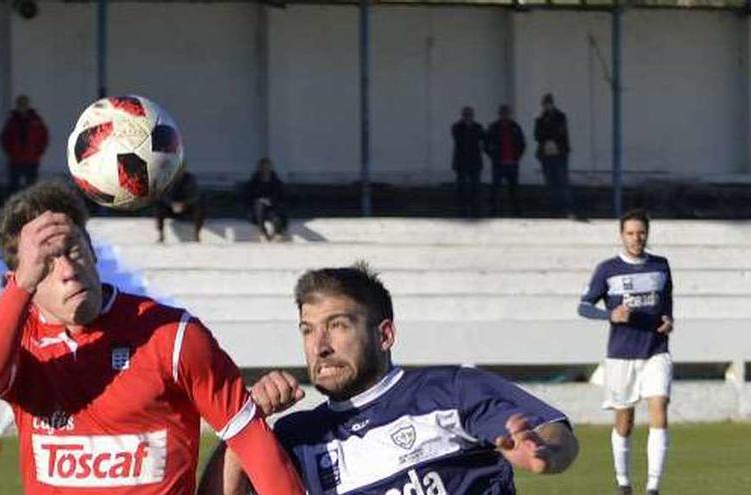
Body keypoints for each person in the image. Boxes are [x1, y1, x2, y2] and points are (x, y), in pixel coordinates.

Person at [0, 181, 304, 494]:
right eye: (45, 263)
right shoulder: (20, 345)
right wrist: (20, 289)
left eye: (73, 249)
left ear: (92, 251)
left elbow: (254, 445)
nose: (67, 271)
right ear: (19, 279)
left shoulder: (173, 336)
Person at [199, 263, 579, 495]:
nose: (320, 346)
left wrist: (545, 452)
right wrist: (246, 424)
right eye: (307, 330)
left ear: (385, 335)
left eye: (337, 326)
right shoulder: (296, 436)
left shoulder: (452, 389)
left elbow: (552, 435)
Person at [577, 209, 673, 495]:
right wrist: (610, 315)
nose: (636, 238)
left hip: (656, 351)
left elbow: (666, 301)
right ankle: (624, 482)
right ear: (622, 235)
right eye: (630, 233)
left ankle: (653, 487)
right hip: (621, 355)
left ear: (647, 233)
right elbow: (583, 307)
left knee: (659, 408)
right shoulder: (607, 269)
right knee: (624, 421)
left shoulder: (661, 265)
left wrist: (668, 319)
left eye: (640, 232)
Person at [533, 93, 573, 218]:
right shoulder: (539, 118)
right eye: (544, 104)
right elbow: (537, 136)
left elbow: (560, 132)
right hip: (546, 155)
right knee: (550, 183)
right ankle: (554, 209)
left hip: (560, 153)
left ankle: (566, 208)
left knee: (562, 181)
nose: (546, 106)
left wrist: (549, 135)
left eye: (548, 103)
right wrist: (548, 135)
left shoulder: (560, 116)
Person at [1, 95, 49, 194]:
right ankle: (14, 208)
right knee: (14, 187)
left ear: (28, 105)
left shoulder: (36, 120)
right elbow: (4, 138)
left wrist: (38, 152)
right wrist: (11, 152)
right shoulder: (11, 121)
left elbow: (44, 137)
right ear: (17, 106)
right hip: (16, 160)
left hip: (32, 159)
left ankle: (31, 208)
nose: (22, 107)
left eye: (24, 104)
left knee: (31, 188)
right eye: (20, 105)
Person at [485, 104, 526, 217]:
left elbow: (522, 144)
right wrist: (494, 157)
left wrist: (516, 157)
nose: (505, 115)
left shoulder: (515, 126)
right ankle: (493, 212)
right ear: (499, 114)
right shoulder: (493, 127)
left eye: (506, 113)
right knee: (495, 189)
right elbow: (486, 144)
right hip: (498, 164)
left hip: (512, 163)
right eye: (503, 113)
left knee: (514, 190)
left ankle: (517, 213)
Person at [450, 106, 486, 218]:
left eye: (469, 114)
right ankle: (462, 211)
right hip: (461, 162)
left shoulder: (478, 127)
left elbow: (484, 139)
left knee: (476, 187)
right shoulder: (457, 127)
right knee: (461, 187)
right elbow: (458, 138)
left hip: (475, 161)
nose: (468, 117)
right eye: (466, 114)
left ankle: (476, 211)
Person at [244, 157, 288, 241]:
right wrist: (261, 200)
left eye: (267, 167)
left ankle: (277, 235)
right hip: (257, 212)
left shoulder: (277, 182)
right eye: (263, 168)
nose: (265, 170)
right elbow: (248, 198)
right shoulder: (253, 183)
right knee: (259, 204)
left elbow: (281, 198)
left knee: (277, 219)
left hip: (272, 209)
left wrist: (270, 201)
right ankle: (262, 232)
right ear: (260, 169)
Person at [155, 169, 205, 242]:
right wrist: (171, 203)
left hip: (186, 207)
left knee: (199, 208)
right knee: (159, 207)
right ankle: (161, 235)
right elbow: (161, 194)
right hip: (172, 207)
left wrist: (184, 204)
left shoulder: (190, 179)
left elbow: (195, 195)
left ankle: (197, 235)